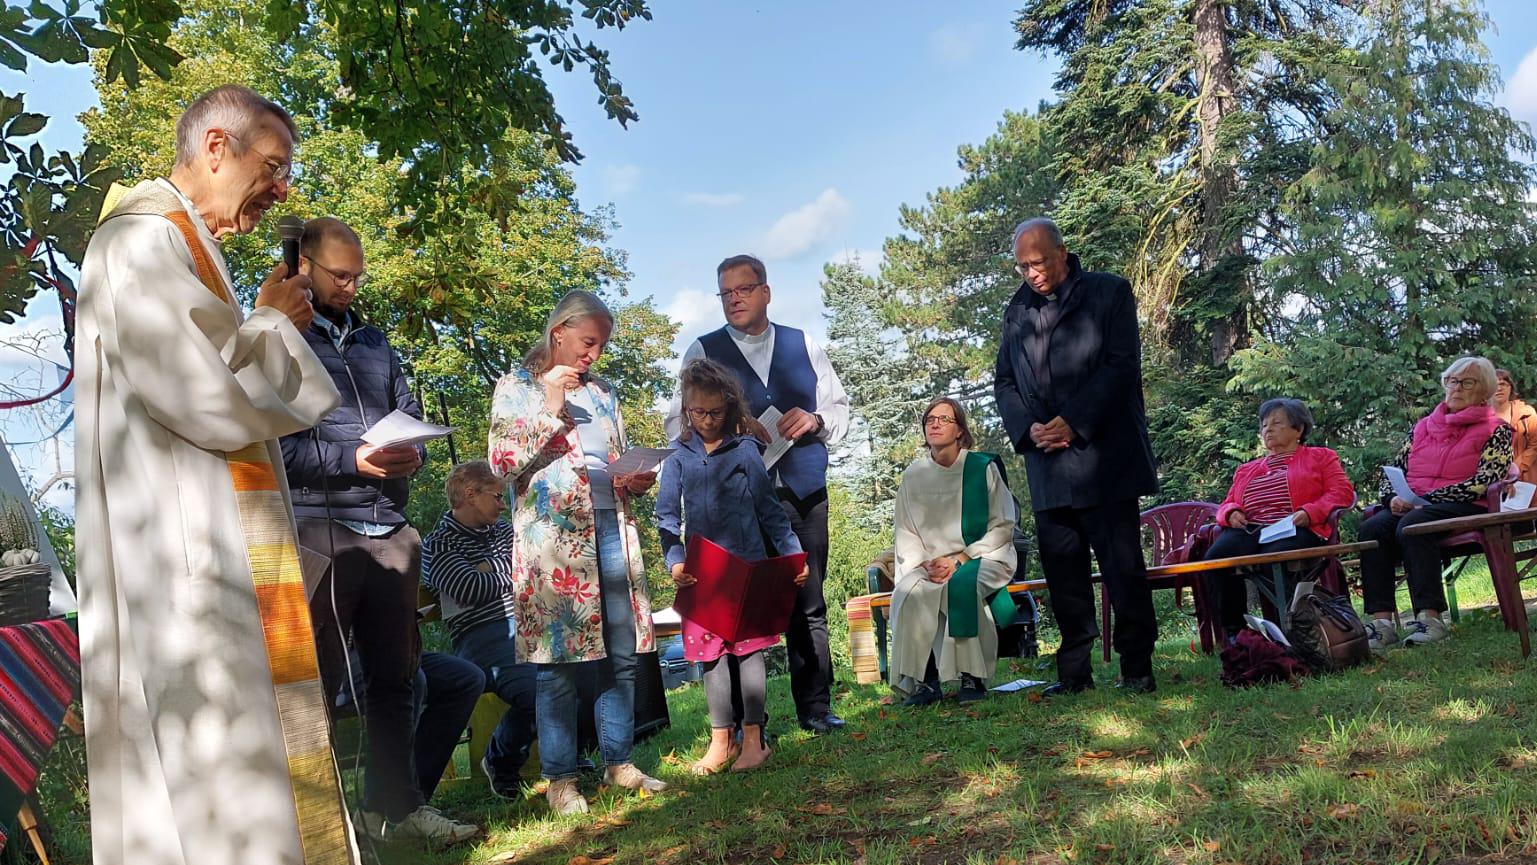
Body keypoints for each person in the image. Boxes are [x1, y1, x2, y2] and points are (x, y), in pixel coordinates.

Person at [76, 85, 357, 865]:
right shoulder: (139, 240)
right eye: (271, 165)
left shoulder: (182, 245)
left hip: (206, 539)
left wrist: (259, 318)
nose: (283, 188)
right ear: (213, 149)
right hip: (182, 558)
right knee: (215, 775)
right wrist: (270, 324)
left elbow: (208, 367)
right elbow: (207, 399)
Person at [274, 217, 461, 841]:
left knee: (395, 679)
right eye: (340, 275)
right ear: (303, 265)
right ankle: (322, 829)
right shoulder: (278, 339)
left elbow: (410, 417)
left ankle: (397, 812)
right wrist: (351, 459)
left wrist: (414, 453)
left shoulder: (377, 343)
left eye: (358, 276)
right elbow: (272, 452)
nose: (352, 286)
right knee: (318, 687)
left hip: (388, 528)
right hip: (316, 533)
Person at [488, 290, 666, 815]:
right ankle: (561, 779)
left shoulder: (604, 392)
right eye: (588, 342)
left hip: (612, 525)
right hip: (554, 541)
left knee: (622, 651)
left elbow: (615, 459)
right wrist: (548, 406)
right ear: (558, 331)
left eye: (601, 345)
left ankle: (619, 762)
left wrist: (635, 479)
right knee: (557, 663)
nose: (593, 355)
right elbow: (501, 463)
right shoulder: (516, 385)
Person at [664, 254, 851, 734]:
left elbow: (838, 407)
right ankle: (750, 726)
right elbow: (675, 425)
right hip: (734, 508)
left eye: (743, 290)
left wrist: (815, 420)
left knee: (809, 602)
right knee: (738, 612)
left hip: (803, 490)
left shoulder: (802, 343)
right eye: (725, 293)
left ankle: (816, 708)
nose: (734, 299)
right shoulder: (701, 351)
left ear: (766, 291)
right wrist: (730, 430)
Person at [993, 217, 1160, 696]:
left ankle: (1136, 667)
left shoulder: (1109, 293)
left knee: (1121, 569)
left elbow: (1121, 367)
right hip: (1047, 464)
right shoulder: (1017, 311)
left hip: (1104, 459)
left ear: (1062, 254)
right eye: (1023, 266)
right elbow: (1004, 381)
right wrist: (1030, 429)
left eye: (1039, 262)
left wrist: (1075, 419)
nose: (1032, 273)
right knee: (1064, 575)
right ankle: (1074, 673)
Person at [655, 360, 807, 774]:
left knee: (750, 652)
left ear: (732, 407)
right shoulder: (677, 458)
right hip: (702, 574)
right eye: (697, 412)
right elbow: (666, 518)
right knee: (711, 657)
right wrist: (675, 562)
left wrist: (791, 554)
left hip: (747, 569)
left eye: (716, 412)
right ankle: (720, 742)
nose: (706, 420)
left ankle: (754, 741)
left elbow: (771, 511)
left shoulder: (745, 451)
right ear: (686, 409)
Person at [1359, 357, 1514, 650]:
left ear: (1485, 391)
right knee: (1373, 528)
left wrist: (1425, 501)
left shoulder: (1498, 429)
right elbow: (1392, 472)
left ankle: (1430, 619)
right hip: (1415, 504)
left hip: (1466, 503)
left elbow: (1484, 481)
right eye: (1452, 381)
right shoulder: (1421, 427)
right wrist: (1393, 498)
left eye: (1467, 382)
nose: (1456, 388)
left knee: (1413, 526)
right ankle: (1382, 625)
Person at [889, 398, 1018, 707]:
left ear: (960, 430)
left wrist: (961, 559)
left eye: (944, 419)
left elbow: (1002, 524)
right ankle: (924, 680)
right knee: (909, 591)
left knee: (960, 587)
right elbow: (905, 530)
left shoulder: (980, 468)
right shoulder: (913, 475)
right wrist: (925, 564)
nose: (934, 424)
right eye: (930, 419)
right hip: (930, 563)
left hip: (983, 556)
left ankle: (972, 676)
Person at [420, 461, 537, 799]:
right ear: (471, 494)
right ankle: (501, 760)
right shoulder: (438, 543)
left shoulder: (503, 530)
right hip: (482, 637)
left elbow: (530, 563)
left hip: (527, 623)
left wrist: (491, 569)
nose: (503, 504)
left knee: (577, 671)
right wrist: (511, 570)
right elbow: (469, 589)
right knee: (538, 691)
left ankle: (568, 757)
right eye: (498, 496)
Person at [1201, 399, 1355, 637]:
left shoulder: (1321, 457)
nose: (1268, 429)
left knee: (1274, 554)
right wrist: (1231, 513)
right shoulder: (1247, 469)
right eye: (1264, 425)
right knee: (1216, 559)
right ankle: (1236, 634)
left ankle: (1296, 630)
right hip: (1250, 529)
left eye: (1277, 423)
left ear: (1298, 429)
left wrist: (1310, 512)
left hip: (1294, 527)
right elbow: (1225, 505)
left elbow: (1341, 492)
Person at [335, 648, 485, 845]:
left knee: (467, 679)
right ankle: (399, 809)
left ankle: (407, 804)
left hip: (389, 647)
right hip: (334, 660)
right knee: (409, 680)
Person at [1493, 369, 1537, 484]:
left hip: (1524, 480)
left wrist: (1513, 471)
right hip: (1491, 482)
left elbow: (1535, 445)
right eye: (1494, 384)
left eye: (1503, 384)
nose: (1499, 388)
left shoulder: (1527, 413)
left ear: (1510, 387)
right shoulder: (1480, 416)